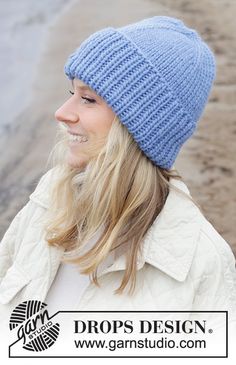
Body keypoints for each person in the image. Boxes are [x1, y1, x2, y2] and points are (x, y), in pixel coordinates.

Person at [0, 15, 236, 355]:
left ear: (140, 126)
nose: (62, 112)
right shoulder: (47, 202)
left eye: (88, 99)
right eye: (72, 93)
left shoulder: (201, 262)